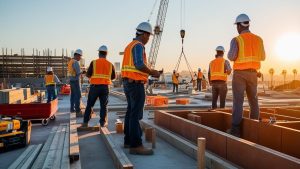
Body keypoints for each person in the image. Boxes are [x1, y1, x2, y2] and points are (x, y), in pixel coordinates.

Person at [122, 22, 161, 155]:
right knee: (135, 115)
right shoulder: (139, 46)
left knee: (130, 112)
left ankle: (128, 140)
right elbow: (139, 65)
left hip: (128, 83)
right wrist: (152, 72)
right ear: (144, 34)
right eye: (148, 36)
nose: (148, 39)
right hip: (135, 84)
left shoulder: (129, 46)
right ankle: (136, 145)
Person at [227, 14, 266, 137]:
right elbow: (263, 57)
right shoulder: (259, 39)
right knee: (253, 101)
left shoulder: (237, 40)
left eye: (236, 26)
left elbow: (231, 56)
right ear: (248, 24)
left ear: (239, 25)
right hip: (253, 74)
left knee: (238, 101)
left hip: (240, 74)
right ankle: (254, 127)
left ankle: (235, 130)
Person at [82, 45, 115, 127]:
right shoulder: (110, 65)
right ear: (106, 54)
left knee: (90, 105)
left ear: (99, 53)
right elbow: (113, 77)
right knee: (103, 106)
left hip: (94, 87)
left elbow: (88, 74)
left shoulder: (94, 62)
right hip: (105, 88)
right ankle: (102, 123)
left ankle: (85, 122)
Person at [68, 49, 83, 115]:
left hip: (71, 81)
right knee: (78, 96)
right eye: (80, 56)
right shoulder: (76, 62)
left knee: (73, 95)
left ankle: (72, 109)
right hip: (76, 81)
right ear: (77, 55)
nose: (80, 58)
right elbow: (78, 72)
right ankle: (78, 110)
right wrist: (83, 72)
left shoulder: (71, 61)